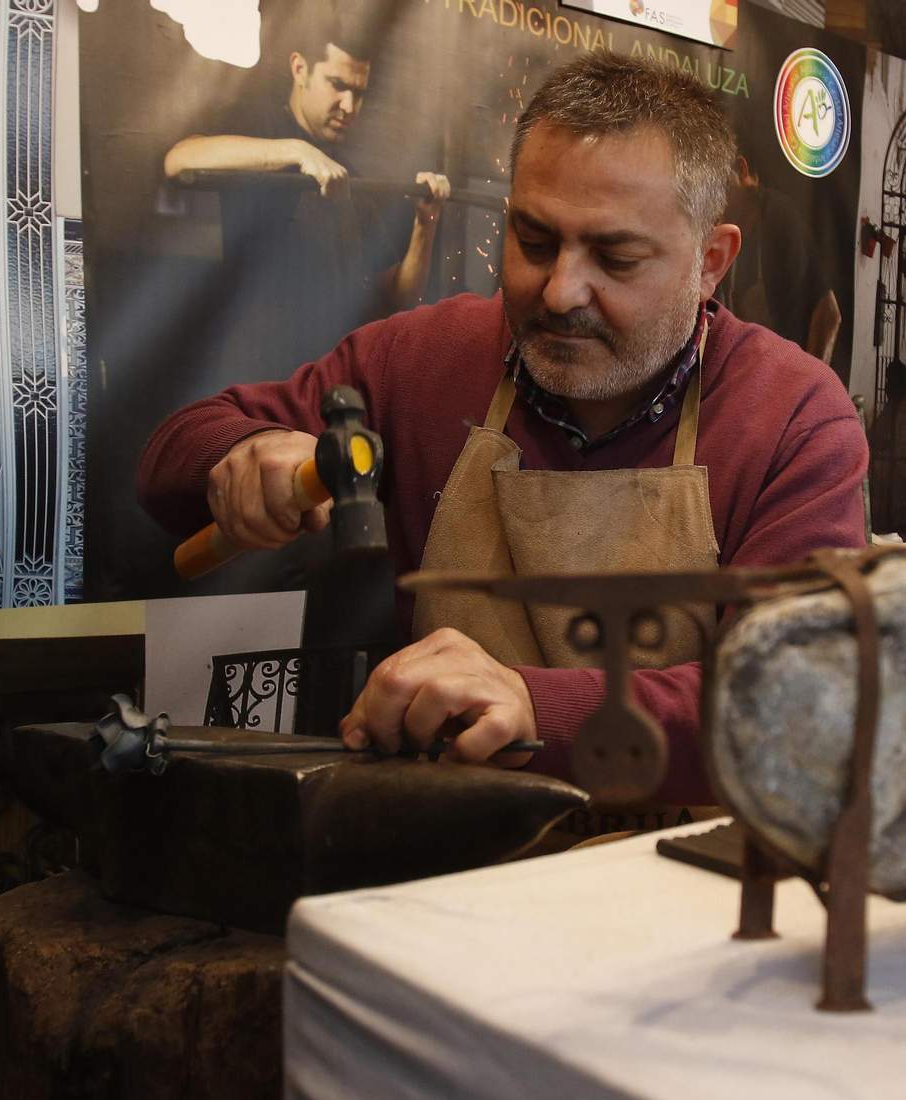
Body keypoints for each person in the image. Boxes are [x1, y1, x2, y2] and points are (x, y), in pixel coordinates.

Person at [137, 53, 868, 817]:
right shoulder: (423, 358)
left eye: (615, 257)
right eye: (535, 239)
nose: (560, 292)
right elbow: (168, 461)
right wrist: (239, 459)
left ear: (710, 262)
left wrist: (533, 705)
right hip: (442, 854)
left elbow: (793, 707)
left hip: (672, 887)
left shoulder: (791, 415)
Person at [163, 6, 451, 384]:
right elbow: (179, 159)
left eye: (358, 93)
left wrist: (424, 224)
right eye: (337, 85)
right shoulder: (258, 127)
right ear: (300, 70)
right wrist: (297, 152)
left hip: (322, 380)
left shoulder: (349, 176)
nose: (349, 106)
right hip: (249, 374)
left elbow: (399, 294)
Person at [718, 148, 842, 362]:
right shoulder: (730, 238)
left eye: (716, 185)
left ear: (741, 170)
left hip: (787, 374)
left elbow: (829, 313)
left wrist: (810, 384)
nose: (711, 199)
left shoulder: (779, 217)